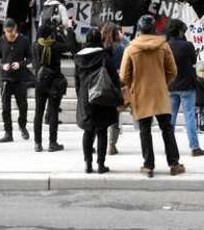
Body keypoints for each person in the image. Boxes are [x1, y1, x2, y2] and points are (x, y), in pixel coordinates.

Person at [120, 14, 185, 178]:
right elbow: (173, 71)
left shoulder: (131, 48)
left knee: (144, 130)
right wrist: (163, 82)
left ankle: (148, 165)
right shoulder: (164, 46)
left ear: (139, 29)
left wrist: (134, 84)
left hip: (140, 93)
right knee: (167, 128)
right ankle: (174, 164)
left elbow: (124, 75)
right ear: (154, 29)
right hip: (160, 92)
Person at [74, 29, 121, 174]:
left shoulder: (78, 58)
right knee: (102, 131)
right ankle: (101, 165)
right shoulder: (104, 56)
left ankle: (88, 164)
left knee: (88, 131)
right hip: (103, 96)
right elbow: (114, 78)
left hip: (85, 97)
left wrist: (80, 96)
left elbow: (77, 81)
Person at [166, 19, 204, 157]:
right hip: (187, 85)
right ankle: (195, 147)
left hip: (171, 86)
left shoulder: (165, 46)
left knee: (170, 118)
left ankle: (169, 147)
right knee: (190, 116)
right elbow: (194, 61)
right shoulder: (187, 45)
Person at [32, 23, 75, 153]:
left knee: (38, 113)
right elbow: (71, 47)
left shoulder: (35, 45)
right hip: (54, 83)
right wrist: (67, 31)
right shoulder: (55, 46)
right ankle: (52, 143)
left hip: (40, 83)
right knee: (53, 112)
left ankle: (37, 143)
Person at [0, 18, 32, 143]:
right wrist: (1, 65)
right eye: (8, 31)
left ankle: (22, 125)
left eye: (12, 31)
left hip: (20, 78)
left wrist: (20, 64)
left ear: (16, 29)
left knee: (23, 106)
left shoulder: (23, 40)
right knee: (5, 107)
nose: (10, 34)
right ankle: (8, 132)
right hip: (5, 78)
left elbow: (30, 57)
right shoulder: (0, 41)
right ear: (4, 30)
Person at [102, 22, 126, 155]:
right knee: (114, 116)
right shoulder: (120, 48)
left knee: (99, 114)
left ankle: (96, 141)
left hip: (101, 84)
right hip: (115, 84)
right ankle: (111, 145)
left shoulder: (100, 47)